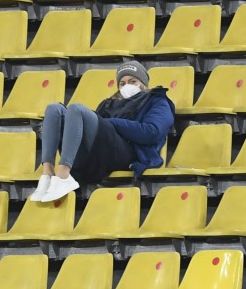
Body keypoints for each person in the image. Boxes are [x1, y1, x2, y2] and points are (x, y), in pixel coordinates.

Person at [31, 60, 176, 202]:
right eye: (122, 83)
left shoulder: (156, 100)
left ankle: (63, 176)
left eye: (133, 81)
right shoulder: (109, 104)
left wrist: (111, 123)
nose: (127, 86)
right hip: (100, 153)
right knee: (54, 109)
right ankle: (47, 174)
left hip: (130, 153)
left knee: (76, 109)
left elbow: (152, 132)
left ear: (143, 83)